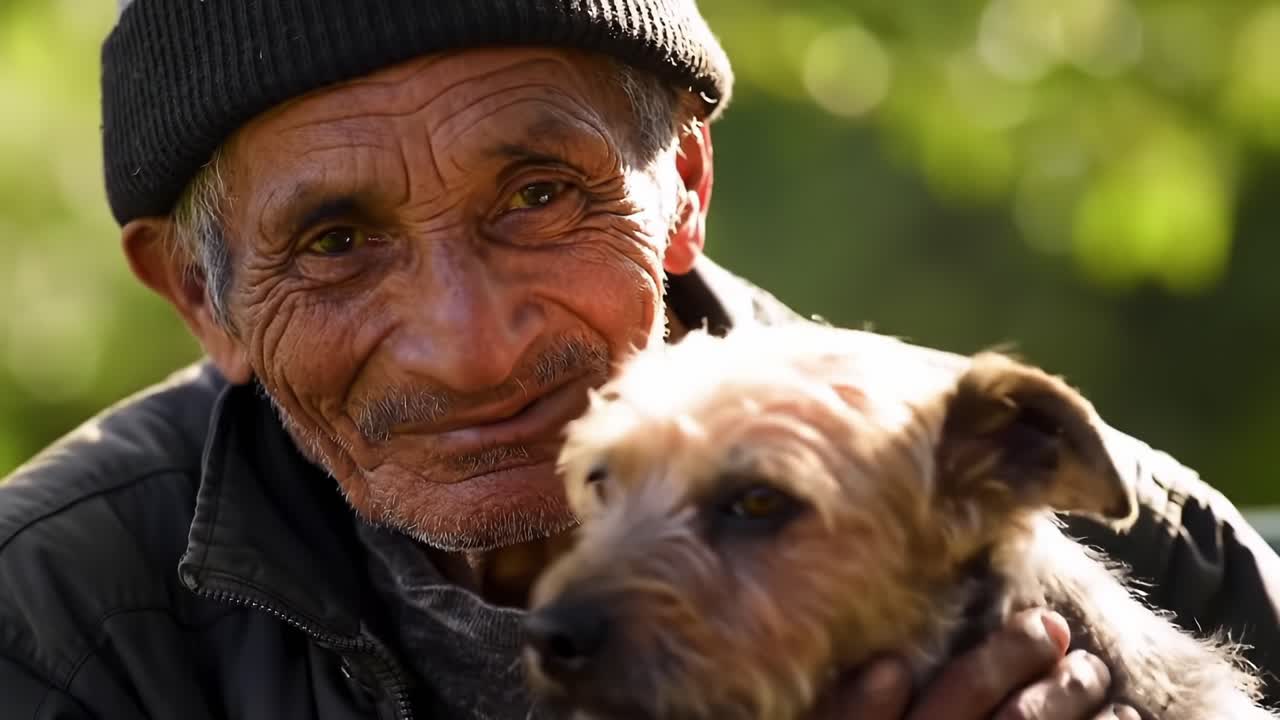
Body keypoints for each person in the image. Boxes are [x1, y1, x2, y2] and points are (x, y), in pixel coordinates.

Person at [0, 1, 1276, 718]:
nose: (471, 347)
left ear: (685, 188)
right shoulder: (55, 630)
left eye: (539, 196)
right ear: (200, 297)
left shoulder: (1102, 518)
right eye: (335, 243)